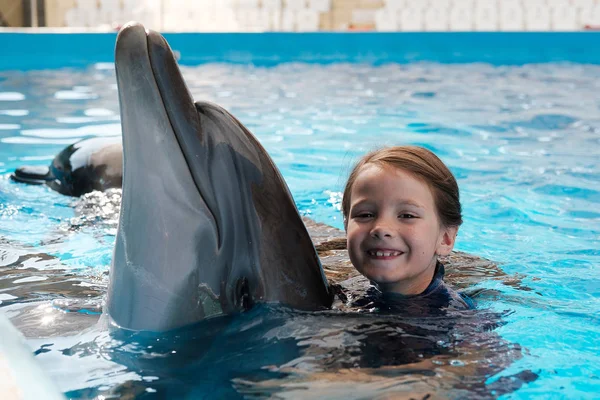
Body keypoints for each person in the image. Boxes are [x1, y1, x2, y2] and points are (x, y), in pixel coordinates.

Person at [341, 146, 474, 312]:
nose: (381, 228)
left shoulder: (461, 325)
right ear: (346, 228)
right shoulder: (339, 295)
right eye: (365, 214)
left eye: (407, 216)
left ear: (446, 238)